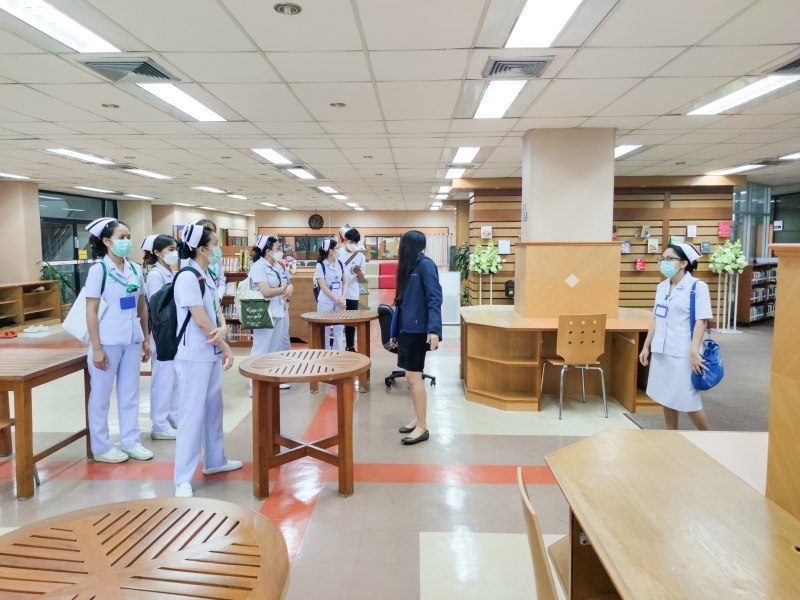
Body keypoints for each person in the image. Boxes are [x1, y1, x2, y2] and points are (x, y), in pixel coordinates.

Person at [173, 221, 242, 497]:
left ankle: (215, 460)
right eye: (214, 245)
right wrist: (224, 342)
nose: (218, 249)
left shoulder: (206, 273)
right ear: (201, 249)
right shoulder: (187, 276)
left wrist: (223, 329)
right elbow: (201, 320)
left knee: (214, 407)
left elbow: (216, 308)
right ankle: (182, 478)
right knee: (192, 414)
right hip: (194, 353)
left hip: (210, 350)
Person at [84, 218, 154, 463]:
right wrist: (96, 348)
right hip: (107, 341)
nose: (127, 242)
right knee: (101, 396)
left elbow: (142, 306)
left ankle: (131, 442)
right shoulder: (99, 271)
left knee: (130, 394)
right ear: (107, 241)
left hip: (132, 339)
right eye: (121, 237)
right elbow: (91, 310)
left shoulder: (134, 269)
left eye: (128, 237)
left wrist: (146, 338)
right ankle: (101, 446)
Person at [639, 243, 713, 431]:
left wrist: (694, 351)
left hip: (683, 352)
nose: (664, 262)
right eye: (662, 259)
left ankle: (711, 438)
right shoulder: (662, 287)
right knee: (666, 397)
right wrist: (646, 346)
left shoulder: (697, 287)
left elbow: (701, 321)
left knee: (689, 401)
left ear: (683, 263)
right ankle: (672, 435)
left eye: (669, 259)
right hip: (661, 349)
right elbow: (656, 318)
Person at [391, 231, 443, 445]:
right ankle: (417, 419)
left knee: (414, 377)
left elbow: (434, 298)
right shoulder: (408, 265)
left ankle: (422, 427)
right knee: (411, 376)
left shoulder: (425, 265)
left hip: (418, 329)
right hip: (407, 328)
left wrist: (434, 330)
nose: (399, 248)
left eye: (402, 244)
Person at [142, 234, 180, 439]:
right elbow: (158, 306)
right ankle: (159, 423)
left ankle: (172, 415)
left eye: (175, 249)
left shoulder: (172, 272)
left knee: (174, 378)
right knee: (162, 378)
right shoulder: (156, 275)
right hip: (163, 330)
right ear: (157, 252)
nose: (175, 253)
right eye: (170, 249)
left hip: (175, 329)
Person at [247, 235, 292, 395]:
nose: (280, 251)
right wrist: (285, 289)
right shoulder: (258, 266)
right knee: (261, 348)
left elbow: (285, 282)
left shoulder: (277, 265)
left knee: (274, 349)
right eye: (278, 248)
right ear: (268, 251)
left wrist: (288, 290)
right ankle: (255, 385)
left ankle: (270, 380)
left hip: (278, 310)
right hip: (264, 312)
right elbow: (266, 291)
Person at [314, 239, 347, 350]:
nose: (339, 250)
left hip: (340, 301)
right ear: (331, 251)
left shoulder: (340, 264)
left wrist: (343, 296)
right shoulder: (321, 266)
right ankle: (326, 353)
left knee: (339, 330)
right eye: (337, 248)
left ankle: (338, 353)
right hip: (326, 301)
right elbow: (324, 288)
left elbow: (345, 282)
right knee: (325, 330)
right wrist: (337, 299)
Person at [340, 228, 367, 352]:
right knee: (336, 319)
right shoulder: (338, 254)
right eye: (351, 242)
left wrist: (358, 272)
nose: (353, 245)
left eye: (355, 243)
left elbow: (362, 279)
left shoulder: (360, 256)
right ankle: (334, 344)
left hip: (352, 293)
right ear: (345, 240)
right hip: (339, 293)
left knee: (351, 321)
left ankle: (350, 346)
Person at [195, 219, 226, 302]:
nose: (213, 234)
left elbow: (221, 281)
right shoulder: (190, 271)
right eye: (209, 231)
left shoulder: (215, 257)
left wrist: (217, 298)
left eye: (214, 231)